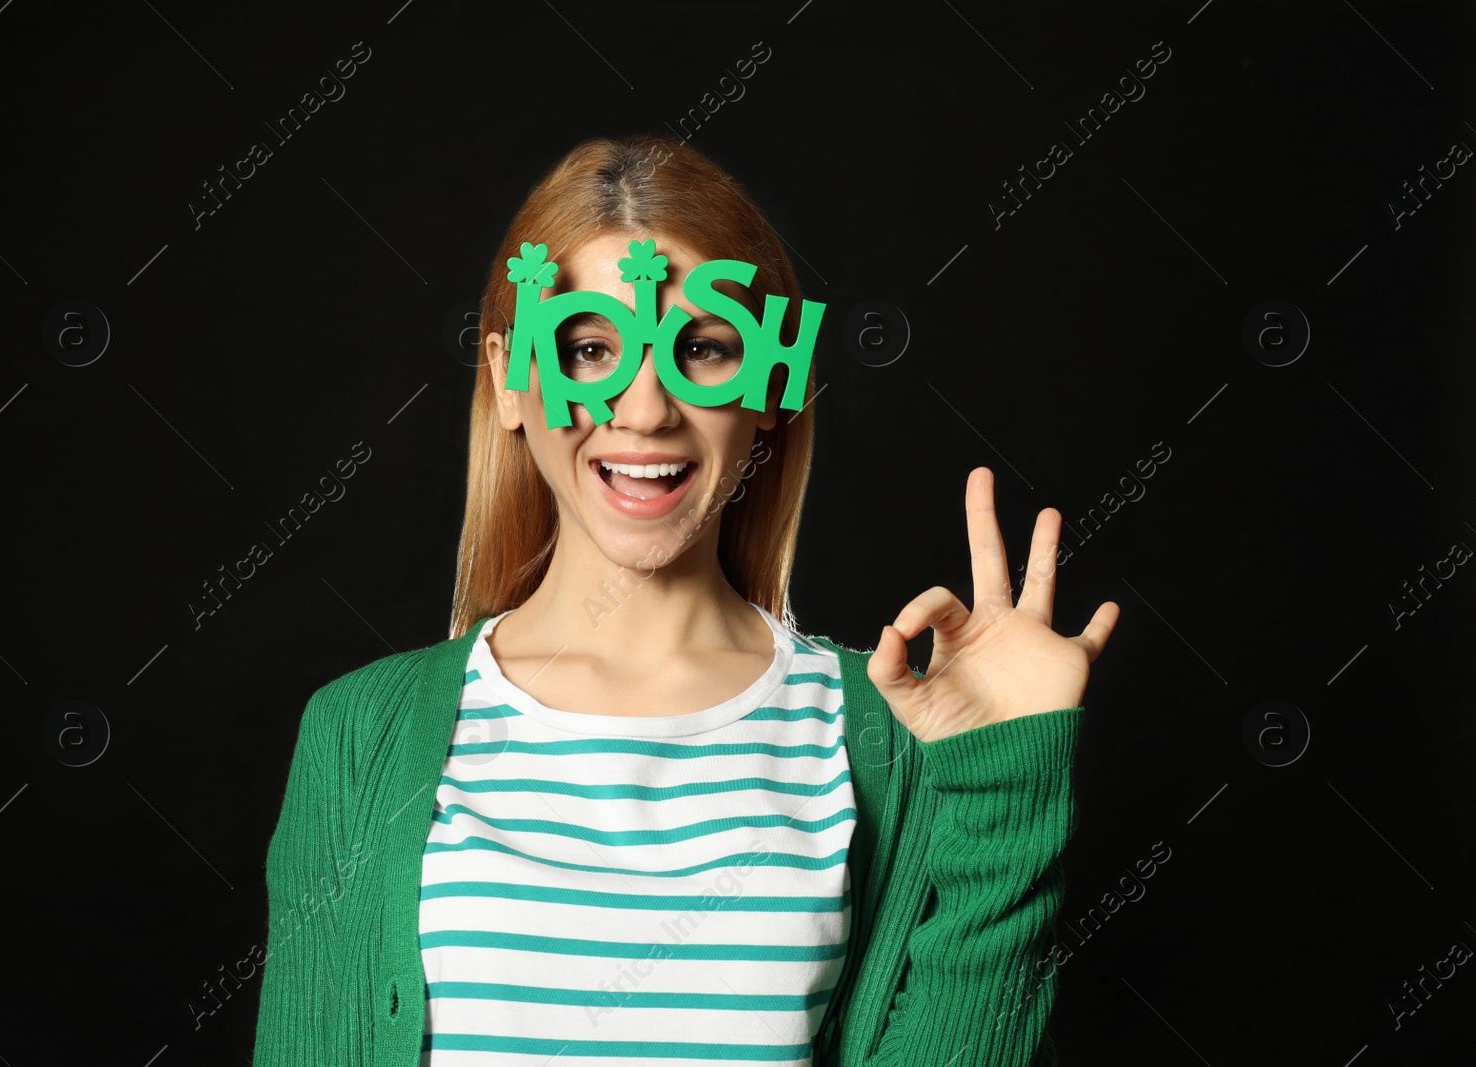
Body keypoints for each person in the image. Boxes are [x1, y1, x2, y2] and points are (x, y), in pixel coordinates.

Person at [251, 133, 1118, 1067]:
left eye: (702, 348)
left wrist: (1009, 790)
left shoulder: (884, 729)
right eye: (587, 347)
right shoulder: (360, 735)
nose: (646, 406)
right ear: (509, 378)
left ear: (774, 383)